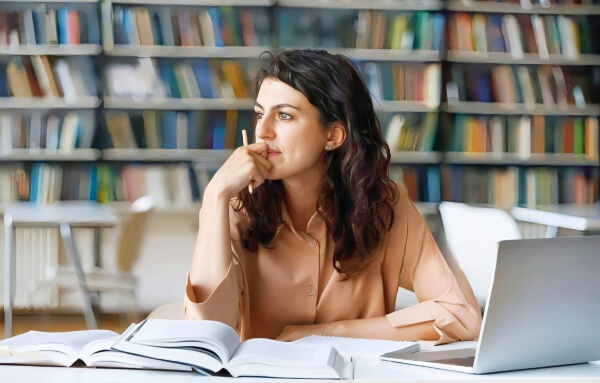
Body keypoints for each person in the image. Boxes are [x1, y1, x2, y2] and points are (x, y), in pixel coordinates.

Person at [184, 49, 482, 344]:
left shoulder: (384, 204)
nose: (263, 131)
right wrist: (215, 195)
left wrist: (331, 332)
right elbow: (206, 336)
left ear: (333, 136)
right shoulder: (237, 206)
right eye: (260, 114)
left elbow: (462, 316)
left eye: (284, 115)